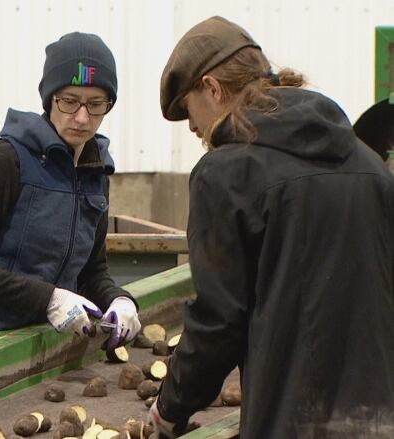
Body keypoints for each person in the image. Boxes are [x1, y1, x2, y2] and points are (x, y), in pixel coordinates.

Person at [148, 16, 394, 438]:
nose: (193, 128)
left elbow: (219, 320)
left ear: (211, 88)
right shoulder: (368, 163)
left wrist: (170, 407)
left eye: (189, 111)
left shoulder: (225, 174)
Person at [0, 32, 141, 358]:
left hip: (42, 356)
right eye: (69, 101)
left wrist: (119, 299)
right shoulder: (7, 160)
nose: (83, 118)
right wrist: (50, 299)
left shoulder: (96, 173)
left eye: (96, 104)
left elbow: (90, 272)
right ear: (49, 98)